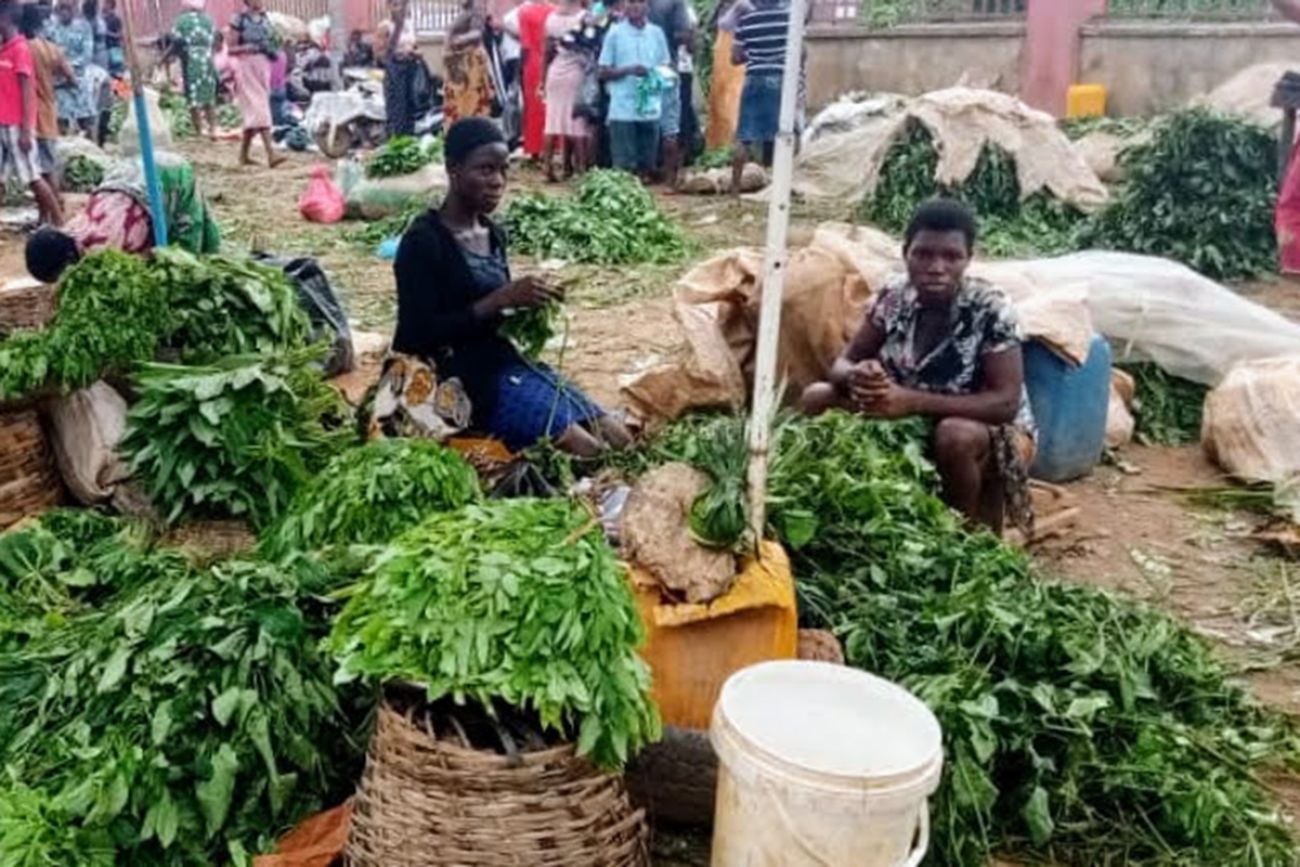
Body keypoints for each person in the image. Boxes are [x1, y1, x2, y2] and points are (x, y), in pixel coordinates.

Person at [393, 118, 631, 456]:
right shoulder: (423, 242)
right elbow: (416, 335)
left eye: (504, 170)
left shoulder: (493, 233)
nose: (498, 182)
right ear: (453, 169)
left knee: (617, 436)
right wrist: (498, 300)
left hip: (501, 362)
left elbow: (495, 312)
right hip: (449, 378)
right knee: (587, 450)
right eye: (485, 170)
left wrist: (531, 300)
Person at [799, 199, 1036, 535]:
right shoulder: (895, 296)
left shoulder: (990, 308)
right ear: (905, 253)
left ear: (968, 258)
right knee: (817, 397)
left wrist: (911, 401)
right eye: (923, 254)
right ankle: (827, 513)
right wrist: (859, 376)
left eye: (951, 257)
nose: (936, 267)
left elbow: (1005, 403)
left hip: (988, 428)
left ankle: (961, 540)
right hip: (907, 415)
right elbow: (842, 363)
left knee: (953, 435)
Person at [25, 150, 221, 283]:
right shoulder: (71, 232)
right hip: (130, 173)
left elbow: (148, 261)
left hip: (168, 175)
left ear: (68, 262)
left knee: (183, 254)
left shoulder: (107, 248)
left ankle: (211, 271)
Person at [1, 0, 63, 226]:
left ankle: (59, 222)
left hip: (17, 126)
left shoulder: (20, 50)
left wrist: (27, 129)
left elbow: (28, 92)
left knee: (33, 177)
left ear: (5, 19)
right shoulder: (4, 49)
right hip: (3, 123)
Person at [597, 0, 669, 179]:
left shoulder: (656, 33)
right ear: (624, 5)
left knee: (647, 164)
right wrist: (628, 70)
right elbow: (603, 71)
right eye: (630, 2)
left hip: (648, 104)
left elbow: (665, 66)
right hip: (623, 107)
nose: (634, 6)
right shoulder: (615, 33)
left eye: (639, 2)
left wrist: (653, 75)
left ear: (647, 6)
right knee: (623, 166)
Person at [729, 0, 794, 194]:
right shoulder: (789, 19)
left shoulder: (746, 20)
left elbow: (735, 58)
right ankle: (781, 186)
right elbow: (802, 53)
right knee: (783, 133)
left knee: (745, 135)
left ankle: (734, 188)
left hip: (753, 79)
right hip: (779, 79)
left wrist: (755, 56)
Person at [20, 3, 70, 225]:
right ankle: (48, 215)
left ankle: (52, 216)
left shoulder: (20, 49)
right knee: (47, 169)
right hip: (48, 114)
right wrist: (51, 86)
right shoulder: (51, 49)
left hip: (27, 118)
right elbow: (71, 78)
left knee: (38, 172)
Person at [228, 0, 284, 167]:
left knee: (255, 112)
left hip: (263, 68)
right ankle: (271, 154)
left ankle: (243, 156)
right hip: (247, 67)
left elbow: (273, 42)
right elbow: (231, 48)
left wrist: (272, 49)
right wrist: (248, 47)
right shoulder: (239, 20)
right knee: (260, 109)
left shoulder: (266, 19)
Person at [541, 0, 590, 181]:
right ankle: (581, 169)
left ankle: (547, 167)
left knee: (552, 122)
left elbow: (546, 51)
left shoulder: (551, 18)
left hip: (555, 72)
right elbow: (588, 47)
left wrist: (542, 78)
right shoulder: (583, 17)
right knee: (577, 122)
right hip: (576, 72)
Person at [169, 0, 219, 140]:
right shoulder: (209, 20)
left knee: (193, 97)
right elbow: (216, 38)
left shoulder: (181, 21)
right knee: (209, 97)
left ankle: (199, 131)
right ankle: (213, 129)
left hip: (191, 61)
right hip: (208, 60)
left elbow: (176, 41)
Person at [46, 0, 95, 136]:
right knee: (61, 119)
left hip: (78, 79)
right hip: (59, 81)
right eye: (61, 9)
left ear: (74, 10)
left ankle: (91, 148)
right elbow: (48, 52)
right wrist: (60, 68)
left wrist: (69, 67)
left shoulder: (84, 27)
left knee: (85, 119)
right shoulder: (51, 29)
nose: (64, 12)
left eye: (67, 8)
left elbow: (87, 54)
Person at [443, 0, 496, 125]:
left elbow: (477, 33)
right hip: (459, 64)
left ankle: (471, 130)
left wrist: (459, 40)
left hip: (471, 65)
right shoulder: (466, 11)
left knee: (471, 100)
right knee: (459, 102)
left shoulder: (476, 9)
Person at [378, 0, 423, 138]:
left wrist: (415, 53)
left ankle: (409, 140)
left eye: (402, 4)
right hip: (395, 73)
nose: (399, 8)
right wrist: (397, 27)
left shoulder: (410, 24)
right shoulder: (385, 26)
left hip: (410, 70)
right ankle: (396, 140)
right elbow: (381, 55)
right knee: (397, 110)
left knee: (411, 108)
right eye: (395, 4)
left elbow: (415, 46)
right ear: (389, 6)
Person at [514, 0, 554, 158]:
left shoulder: (524, 12)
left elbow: (525, 46)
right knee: (550, 108)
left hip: (532, 64)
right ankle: (554, 147)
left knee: (532, 108)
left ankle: (535, 148)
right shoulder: (554, 10)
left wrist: (519, 69)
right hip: (551, 62)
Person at [704, 0, 745, 149]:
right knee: (720, 102)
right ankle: (720, 146)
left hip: (740, 61)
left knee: (734, 102)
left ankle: (736, 146)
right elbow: (718, 25)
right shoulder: (723, 7)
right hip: (723, 60)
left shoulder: (747, 5)